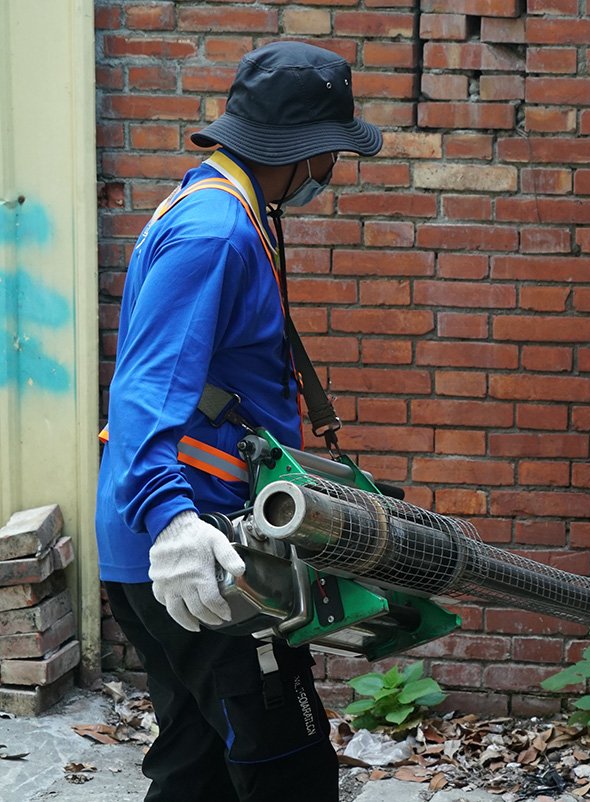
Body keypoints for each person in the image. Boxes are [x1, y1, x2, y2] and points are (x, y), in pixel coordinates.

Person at [95, 41, 381, 802]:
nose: (329, 174)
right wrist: (172, 522)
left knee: (195, 769)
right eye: (329, 156)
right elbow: (146, 389)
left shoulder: (216, 202)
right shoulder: (215, 232)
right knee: (288, 772)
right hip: (198, 548)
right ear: (301, 149)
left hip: (175, 539)